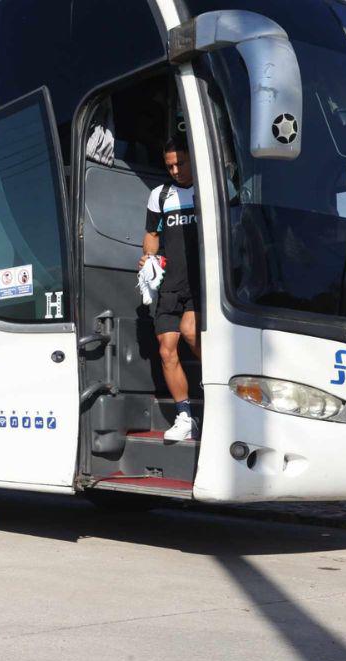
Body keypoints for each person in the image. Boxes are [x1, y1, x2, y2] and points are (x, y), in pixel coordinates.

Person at [139, 135, 202, 442]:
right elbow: (151, 233)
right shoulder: (160, 196)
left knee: (191, 332)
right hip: (170, 285)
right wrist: (148, 260)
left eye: (181, 163)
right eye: (170, 166)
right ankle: (185, 415)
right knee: (166, 350)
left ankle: (222, 395)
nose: (176, 171)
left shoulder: (211, 188)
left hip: (200, 283)